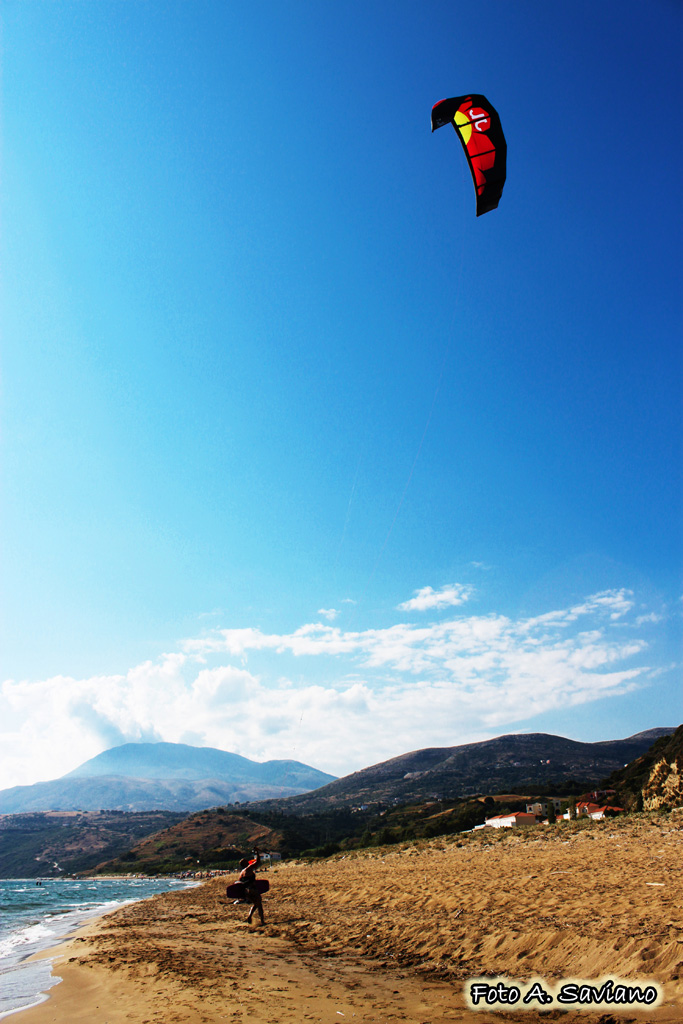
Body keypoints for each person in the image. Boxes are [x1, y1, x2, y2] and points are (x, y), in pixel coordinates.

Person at [238, 847, 265, 926]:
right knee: (259, 904)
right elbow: (257, 862)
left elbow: (239, 883)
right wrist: (257, 853)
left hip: (246, 892)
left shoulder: (241, 873)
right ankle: (262, 921)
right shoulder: (248, 868)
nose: (248, 862)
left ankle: (250, 916)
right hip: (252, 889)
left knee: (256, 904)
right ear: (245, 864)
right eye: (247, 862)